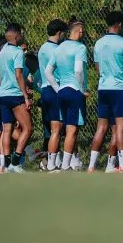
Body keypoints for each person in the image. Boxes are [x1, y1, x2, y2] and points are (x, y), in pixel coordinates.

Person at [89, 11, 123, 173]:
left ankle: (92, 166)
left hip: (103, 88)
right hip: (119, 89)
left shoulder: (98, 43)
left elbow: (97, 68)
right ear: (120, 24)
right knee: (121, 127)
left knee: (101, 128)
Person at [45, 18, 89, 172]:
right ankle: (65, 166)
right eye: (82, 31)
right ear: (79, 31)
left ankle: (57, 164)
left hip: (62, 92)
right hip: (75, 92)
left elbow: (47, 72)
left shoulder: (59, 48)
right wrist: (82, 89)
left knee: (63, 130)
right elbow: (78, 70)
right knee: (72, 131)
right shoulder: (80, 48)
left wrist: (58, 89)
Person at [0, 22, 34, 173]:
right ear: (17, 36)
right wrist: (25, 96)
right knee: (28, 128)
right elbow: (19, 75)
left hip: (3, 95)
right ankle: (15, 163)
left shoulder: (2, 52)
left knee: (7, 130)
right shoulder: (17, 52)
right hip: (15, 95)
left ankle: (6, 164)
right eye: (21, 33)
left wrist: (4, 87)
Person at [37, 19, 67, 172]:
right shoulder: (56, 50)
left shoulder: (42, 48)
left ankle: (50, 162)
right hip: (54, 89)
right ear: (58, 33)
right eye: (64, 33)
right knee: (57, 129)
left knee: (52, 129)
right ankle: (51, 165)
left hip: (45, 91)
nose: (64, 36)